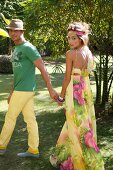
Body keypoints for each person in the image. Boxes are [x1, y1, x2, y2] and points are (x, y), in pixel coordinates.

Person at [50, 22, 104, 169]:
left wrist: (61, 96)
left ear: (81, 37)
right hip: (85, 91)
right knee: (81, 122)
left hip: (74, 91)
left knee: (75, 123)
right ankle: (71, 155)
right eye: (69, 38)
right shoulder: (88, 52)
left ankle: (78, 160)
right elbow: (87, 74)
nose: (70, 41)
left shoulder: (71, 53)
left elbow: (67, 78)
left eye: (74, 38)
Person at [0, 19, 58, 158]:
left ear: (22, 31)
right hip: (21, 89)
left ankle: (1, 145)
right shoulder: (16, 49)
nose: (12, 33)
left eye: (16, 30)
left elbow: (43, 69)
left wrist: (50, 89)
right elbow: (17, 73)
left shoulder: (28, 48)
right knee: (30, 119)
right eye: (10, 30)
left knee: (10, 118)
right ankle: (33, 149)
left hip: (24, 90)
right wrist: (11, 92)